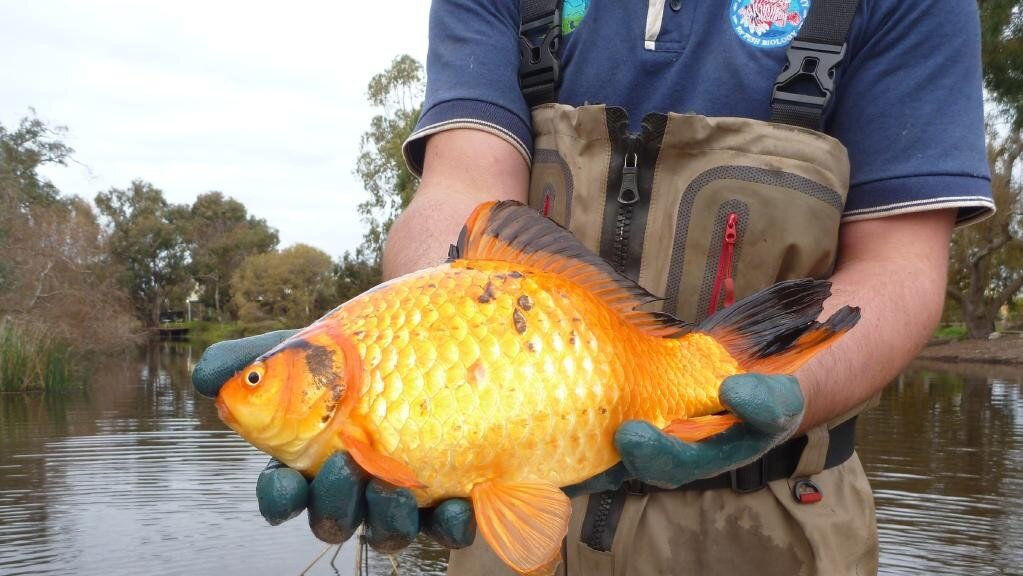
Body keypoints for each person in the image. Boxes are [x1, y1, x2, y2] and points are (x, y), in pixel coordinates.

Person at [193, 0, 994, 574]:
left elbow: (900, 267)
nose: (250, 389)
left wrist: (764, 397)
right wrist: (427, 335)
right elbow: (459, 188)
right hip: (510, 534)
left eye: (264, 379)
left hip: (780, 526)